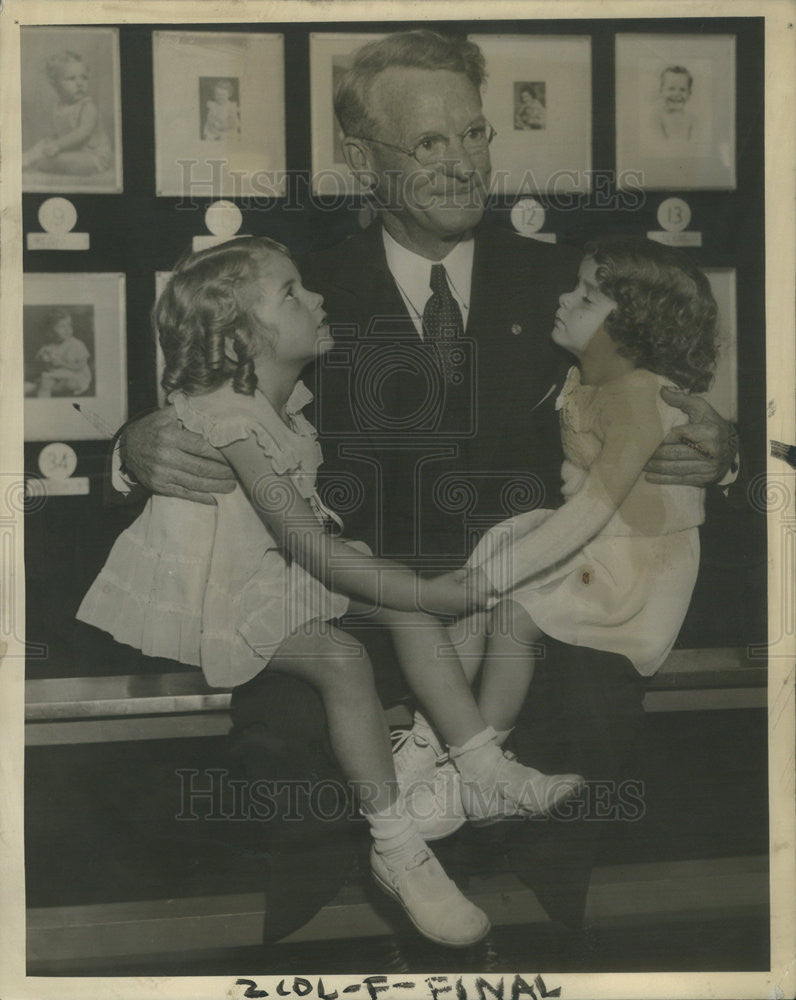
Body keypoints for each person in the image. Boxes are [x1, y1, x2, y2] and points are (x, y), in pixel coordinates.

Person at [117, 30, 737, 929]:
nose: (464, 165)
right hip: (350, 596)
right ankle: (328, 917)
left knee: (600, 702)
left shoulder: (565, 282)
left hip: (531, 593)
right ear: (361, 159)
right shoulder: (298, 290)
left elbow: (669, 406)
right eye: (430, 144)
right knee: (285, 728)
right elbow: (191, 402)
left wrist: (721, 447)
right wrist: (132, 447)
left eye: (476, 135)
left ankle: (549, 918)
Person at [78, 236, 584, 947]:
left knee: (396, 590)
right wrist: (433, 596)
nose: (317, 299)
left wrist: (409, 589)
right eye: (291, 292)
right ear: (238, 336)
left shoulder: (285, 408)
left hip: (268, 571)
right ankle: (398, 848)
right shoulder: (232, 422)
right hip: (223, 592)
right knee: (344, 657)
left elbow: (310, 534)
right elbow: (304, 542)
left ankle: (479, 762)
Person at [431, 238, 716, 772]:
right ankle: (434, 739)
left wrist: (495, 579)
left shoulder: (638, 397)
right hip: (592, 539)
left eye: (586, 298)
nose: (562, 300)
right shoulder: (588, 381)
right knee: (479, 594)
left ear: (634, 327)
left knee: (511, 612)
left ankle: (480, 765)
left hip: (633, 560)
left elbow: (593, 508)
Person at [22, 49, 112, 175]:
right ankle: (27, 157)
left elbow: (82, 133)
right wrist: (48, 145)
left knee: (53, 161)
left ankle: (39, 162)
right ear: (55, 84)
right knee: (45, 144)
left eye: (84, 78)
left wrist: (58, 145)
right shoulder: (58, 107)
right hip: (72, 150)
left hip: (93, 156)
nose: (80, 83)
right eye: (71, 79)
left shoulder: (88, 106)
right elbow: (60, 135)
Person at [29, 308, 92, 398]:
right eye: (62, 326)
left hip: (76, 376)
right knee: (46, 381)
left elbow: (80, 366)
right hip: (57, 375)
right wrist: (45, 360)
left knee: (70, 384)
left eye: (69, 325)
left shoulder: (77, 344)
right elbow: (39, 363)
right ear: (50, 331)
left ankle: (36, 388)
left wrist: (61, 364)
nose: (67, 329)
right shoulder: (48, 347)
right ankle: (43, 401)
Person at [651, 65, 698, 143]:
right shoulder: (657, 118)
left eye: (682, 90)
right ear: (661, 91)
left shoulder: (692, 120)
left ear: (689, 93)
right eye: (671, 88)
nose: (677, 94)